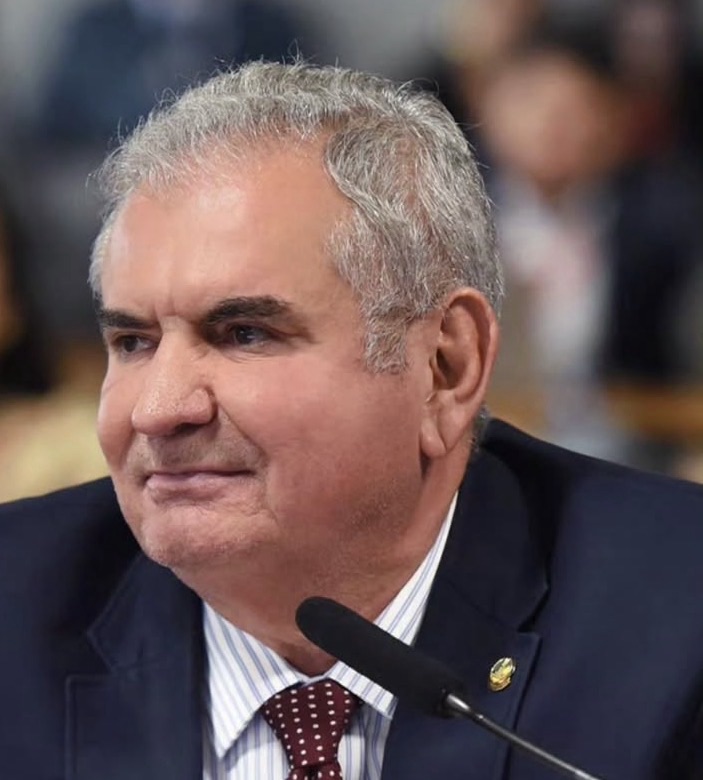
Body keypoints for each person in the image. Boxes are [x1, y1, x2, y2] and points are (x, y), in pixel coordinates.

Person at [1, 60, 703, 780]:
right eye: (132, 342)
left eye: (243, 333)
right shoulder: (15, 607)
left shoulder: (680, 621)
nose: (158, 410)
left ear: (445, 368)